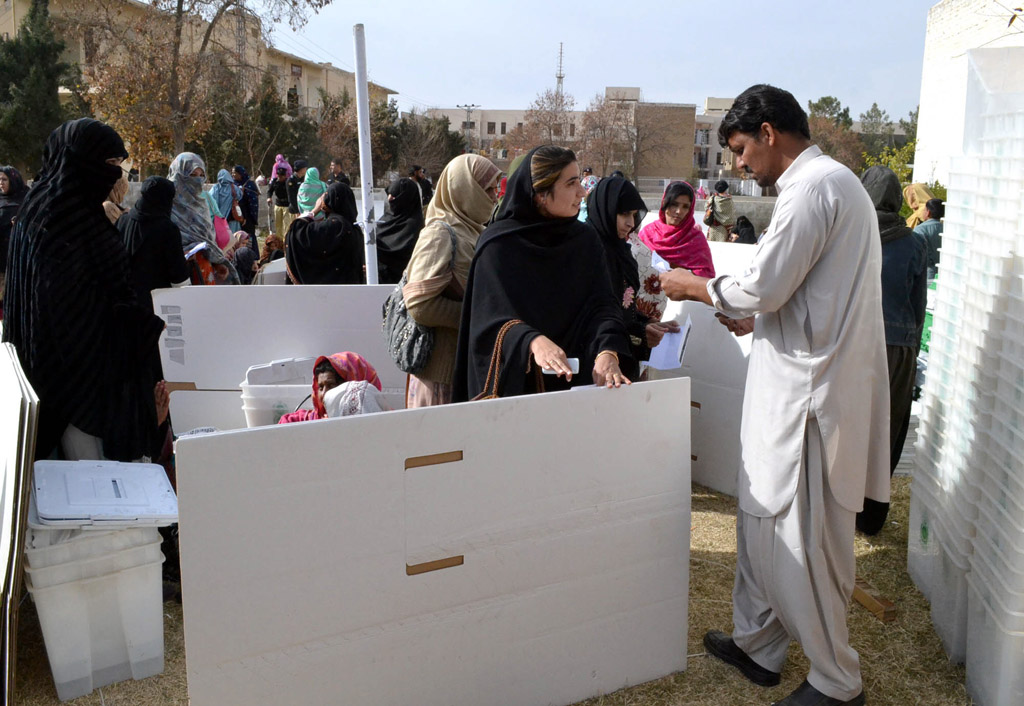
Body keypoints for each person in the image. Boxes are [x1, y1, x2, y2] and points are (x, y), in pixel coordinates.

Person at [659, 84, 888, 706]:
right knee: (762, 522)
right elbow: (805, 295)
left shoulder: (814, 188)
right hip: (800, 380)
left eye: (738, 149)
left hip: (808, 399)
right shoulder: (830, 186)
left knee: (797, 535)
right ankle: (758, 642)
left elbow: (765, 282)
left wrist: (696, 286)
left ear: (767, 133)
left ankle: (837, 681)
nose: (736, 164)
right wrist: (762, 319)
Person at [2, 118, 166, 461]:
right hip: (81, 389)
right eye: (107, 164)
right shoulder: (59, 221)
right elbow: (68, 312)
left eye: (118, 166)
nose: (115, 176)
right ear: (76, 160)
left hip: (63, 381)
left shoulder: (45, 210)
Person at [452, 145, 632, 401]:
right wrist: (532, 341)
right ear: (540, 194)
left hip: (579, 388)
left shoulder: (585, 241)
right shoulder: (498, 246)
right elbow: (485, 323)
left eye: (579, 182)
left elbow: (603, 305)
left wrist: (608, 351)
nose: (582, 192)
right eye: (571, 184)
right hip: (518, 395)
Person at [857, 166, 927, 536]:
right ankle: (871, 518)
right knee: (889, 428)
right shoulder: (914, 242)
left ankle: (840, 508)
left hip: (854, 343)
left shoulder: (853, 234)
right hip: (898, 346)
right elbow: (918, 307)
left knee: (851, 424)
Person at [403, 154, 501, 408]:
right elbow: (420, 306)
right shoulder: (440, 234)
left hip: (463, 370)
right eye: (487, 189)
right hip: (438, 379)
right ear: (465, 189)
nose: (494, 196)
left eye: (494, 188)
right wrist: (475, 319)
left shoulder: (473, 231)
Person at [587, 176, 680, 379]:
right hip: (596, 365)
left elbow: (623, 308)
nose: (631, 223)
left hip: (623, 362)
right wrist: (638, 334)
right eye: (623, 214)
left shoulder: (622, 252)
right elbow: (591, 317)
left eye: (634, 214)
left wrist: (647, 324)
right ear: (606, 209)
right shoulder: (587, 252)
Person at [117, 176, 190, 313]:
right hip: (155, 307)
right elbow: (178, 277)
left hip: (125, 303)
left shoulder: (123, 221)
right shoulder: (167, 229)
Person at [170, 153, 240, 285]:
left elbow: (208, 238)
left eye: (201, 175)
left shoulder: (202, 201)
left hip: (203, 268)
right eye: (192, 175)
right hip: (175, 273)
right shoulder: (168, 201)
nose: (197, 180)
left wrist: (216, 263)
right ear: (179, 174)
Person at [285, 181, 365, 285]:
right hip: (352, 291)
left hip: (330, 295)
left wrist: (314, 210)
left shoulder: (334, 227)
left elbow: (296, 231)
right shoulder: (355, 229)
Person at [637, 181, 716, 278]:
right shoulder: (647, 233)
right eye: (674, 204)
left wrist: (680, 275)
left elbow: (706, 278)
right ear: (665, 203)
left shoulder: (696, 239)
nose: (679, 211)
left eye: (685, 207)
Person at [277, 352, 384, 423]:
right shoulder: (302, 421)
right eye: (320, 387)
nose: (323, 394)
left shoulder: (382, 422)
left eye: (331, 385)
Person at [376, 177, 425, 284]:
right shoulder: (385, 220)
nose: (390, 199)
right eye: (389, 194)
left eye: (395, 196)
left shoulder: (415, 227)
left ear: (405, 198)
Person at [0, 166, 30, 317]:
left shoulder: (26, 200)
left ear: (13, 180)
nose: (1, 183)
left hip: (18, 259)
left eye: (4, 179)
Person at [231, 164, 260, 248]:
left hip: (248, 215)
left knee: (249, 237)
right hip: (237, 216)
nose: (233, 175)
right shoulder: (233, 185)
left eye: (235, 173)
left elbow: (253, 202)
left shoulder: (249, 184)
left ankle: (252, 256)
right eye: (232, 173)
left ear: (240, 173)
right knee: (239, 237)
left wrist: (247, 218)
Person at [914, 198, 943, 279]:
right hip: (945, 273)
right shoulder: (947, 229)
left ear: (928, 212)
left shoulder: (920, 229)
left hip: (927, 275)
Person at [210, 168, 242, 234]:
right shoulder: (234, 188)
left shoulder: (216, 188)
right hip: (232, 218)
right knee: (233, 237)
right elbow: (240, 196)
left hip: (219, 219)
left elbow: (210, 200)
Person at [266, 165, 292, 236]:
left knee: (286, 224)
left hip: (286, 205)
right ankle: (279, 240)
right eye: (279, 175)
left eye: (282, 176)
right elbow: (269, 191)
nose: (280, 177)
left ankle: (285, 240)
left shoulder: (288, 182)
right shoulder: (275, 181)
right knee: (278, 224)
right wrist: (269, 197)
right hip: (278, 204)